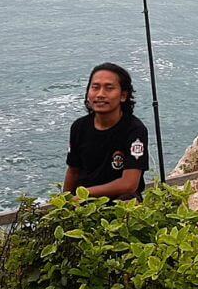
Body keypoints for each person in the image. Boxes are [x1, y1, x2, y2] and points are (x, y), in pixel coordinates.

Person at [63, 62, 149, 200]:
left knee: (128, 198)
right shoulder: (79, 127)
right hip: (84, 203)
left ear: (123, 95)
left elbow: (129, 184)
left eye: (109, 88)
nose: (100, 94)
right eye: (95, 87)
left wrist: (84, 194)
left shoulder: (134, 130)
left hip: (119, 203)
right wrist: (64, 202)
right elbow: (73, 171)